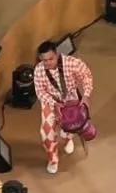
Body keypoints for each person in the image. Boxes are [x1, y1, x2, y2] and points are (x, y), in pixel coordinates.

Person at [33, 40, 95, 174]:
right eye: (44, 60)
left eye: (51, 59)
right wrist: (54, 103)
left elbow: (86, 76)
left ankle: (67, 139)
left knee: (72, 123)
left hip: (70, 97)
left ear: (57, 54)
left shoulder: (72, 62)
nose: (48, 63)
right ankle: (53, 158)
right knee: (46, 132)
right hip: (51, 100)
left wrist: (86, 95)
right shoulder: (38, 70)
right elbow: (40, 92)